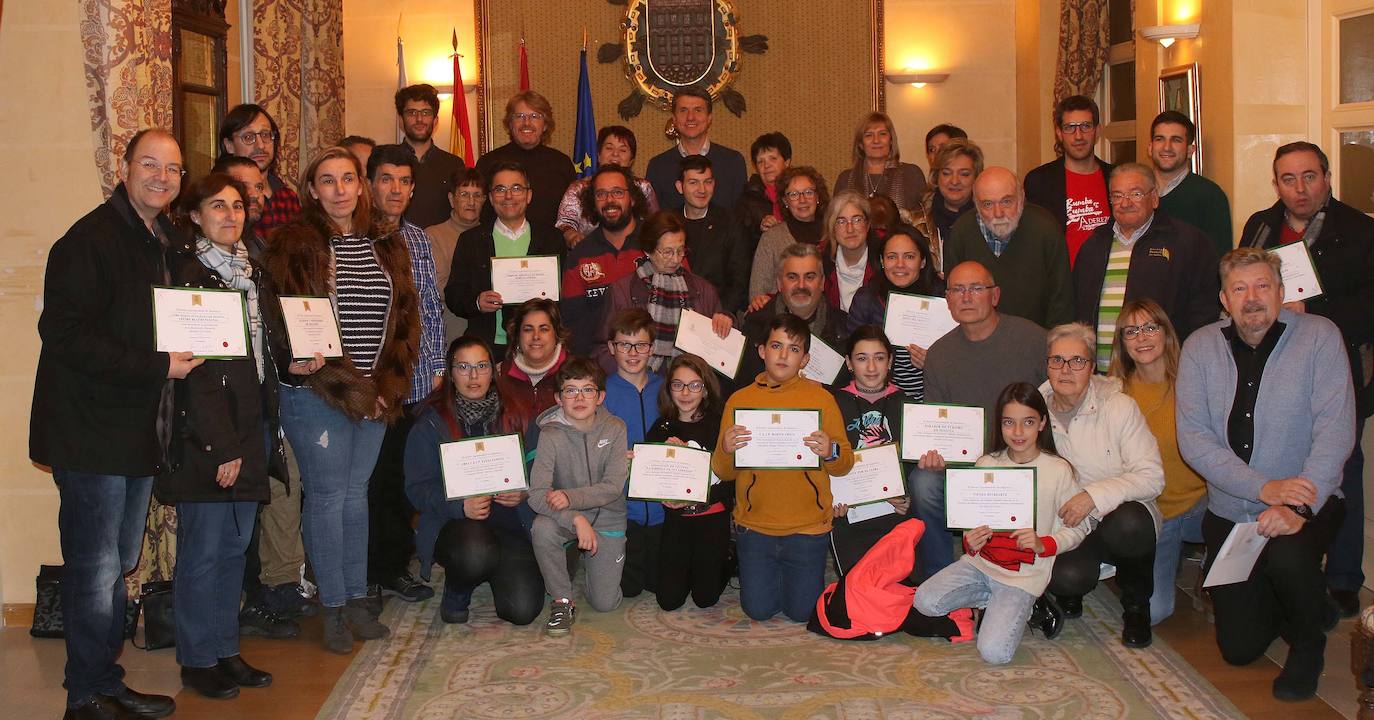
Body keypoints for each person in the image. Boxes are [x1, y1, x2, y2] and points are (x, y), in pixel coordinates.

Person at [31, 128, 193, 720]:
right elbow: (65, 335)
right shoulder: (88, 240)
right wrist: (160, 366)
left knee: (119, 560)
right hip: (89, 431)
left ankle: (106, 679)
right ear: (122, 168)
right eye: (148, 164)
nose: (160, 177)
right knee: (96, 568)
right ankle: (86, 695)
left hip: (135, 430)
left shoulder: (167, 240)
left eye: (172, 169)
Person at [1177, 247, 1355, 701]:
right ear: (1224, 298)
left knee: (1289, 557)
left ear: (1281, 292)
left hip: (1307, 500)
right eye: (1239, 288)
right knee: (1239, 648)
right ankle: (1310, 603)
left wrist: (1296, 503)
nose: (1252, 298)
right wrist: (1264, 488)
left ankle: (1308, 643)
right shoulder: (1200, 346)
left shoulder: (1319, 336)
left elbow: (1336, 432)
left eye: (1262, 286)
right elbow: (1194, 440)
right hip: (1233, 511)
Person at [264, 146, 420, 654]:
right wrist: (354, 389)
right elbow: (284, 319)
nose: (339, 190)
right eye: (327, 180)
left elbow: (403, 323)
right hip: (318, 393)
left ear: (362, 186)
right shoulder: (294, 244)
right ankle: (331, 605)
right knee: (328, 497)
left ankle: (356, 598)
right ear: (312, 190)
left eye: (347, 179)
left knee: (356, 496)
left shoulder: (387, 242)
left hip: (375, 397)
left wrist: (387, 389)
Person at [1239, 141, 1374, 617]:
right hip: (1267, 368)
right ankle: (1270, 559)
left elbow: (1369, 308)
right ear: (1276, 183)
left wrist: (1310, 311)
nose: (1299, 188)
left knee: (1340, 469)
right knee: (1270, 460)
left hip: (1335, 368)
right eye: (1288, 179)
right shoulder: (1259, 225)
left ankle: (1341, 577)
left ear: (1327, 177)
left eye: (1309, 176)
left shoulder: (1360, 231)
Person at [163, 173, 277, 699]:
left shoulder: (251, 273)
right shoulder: (188, 277)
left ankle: (225, 648)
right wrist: (222, 445)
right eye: (218, 206)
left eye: (238, 206)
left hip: (250, 426)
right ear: (195, 216)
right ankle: (196, 658)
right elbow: (198, 375)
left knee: (235, 550)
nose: (232, 215)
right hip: (209, 438)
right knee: (203, 552)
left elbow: (260, 356)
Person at [914, 382, 1090, 664]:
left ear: (1043, 423)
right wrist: (970, 541)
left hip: (1022, 578)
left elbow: (1079, 527)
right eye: (1009, 423)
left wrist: (1044, 543)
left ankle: (1031, 604)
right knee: (925, 601)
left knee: (995, 654)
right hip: (980, 566)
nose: (1018, 432)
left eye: (1028, 422)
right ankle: (990, 602)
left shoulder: (1058, 470)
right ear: (1000, 424)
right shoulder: (985, 464)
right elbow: (970, 523)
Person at [712, 314, 855, 622]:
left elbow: (844, 463)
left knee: (803, 612)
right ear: (762, 350)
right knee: (758, 610)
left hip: (808, 526)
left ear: (804, 359)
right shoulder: (739, 400)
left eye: (793, 349)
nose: (783, 355)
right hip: (755, 526)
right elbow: (723, 472)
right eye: (776, 346)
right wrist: (725, 448)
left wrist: (829, 450)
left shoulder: (821, 399)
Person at [913, 261, 1048, 579]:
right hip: (967, 469)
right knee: (923, 482)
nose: (967, 297)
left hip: (1023, 462)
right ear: (947, 300)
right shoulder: (939, 355)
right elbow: (938, 427)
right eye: (957, 290)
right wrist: (934, 456)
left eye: (976, 288)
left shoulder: (1034, 340)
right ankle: (941, 576)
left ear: (995, 295)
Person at [1038, 322, 1164, 649]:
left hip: (1118, 514)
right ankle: (1073, 589)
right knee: (1066, 578)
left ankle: (1136, 606)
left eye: (1077, 361)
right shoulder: (1032, 410)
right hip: (1066, 521)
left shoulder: (1119, 407)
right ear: (1047, 364)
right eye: (1057, 360)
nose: (1066, 369)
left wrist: (1092, 496)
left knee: (1131, 523)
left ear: (1092, 367)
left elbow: (1152, 477)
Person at [404, 335, 544, 625]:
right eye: (463, 367)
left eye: (481, 366)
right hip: (457, 528)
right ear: (450, 373)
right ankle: (458, 588)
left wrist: (524, 492)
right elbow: (417, 489)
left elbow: (541, 468)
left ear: (494, 371)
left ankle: (495, 572)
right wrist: (459, 507)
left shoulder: (518, 413)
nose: (473, 376)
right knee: (475, 554)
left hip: (510, 525)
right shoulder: (430, 423)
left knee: (522, 611)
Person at [364, 144, 449, 606]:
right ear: (369, 183)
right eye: (386, 179)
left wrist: (437, 365)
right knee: (368, 484)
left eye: (404, 181)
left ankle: (394, 567)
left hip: (415, 384)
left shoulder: (417, 238)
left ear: (413, 189)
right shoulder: (354, 236)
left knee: (400, 479)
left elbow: (431, 308)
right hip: (369, 387)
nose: (395, 189)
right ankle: (366, 575)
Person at [1107, 299, 1207, 625]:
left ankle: (1213, 573)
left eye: (1151, 327)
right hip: (1154, 512)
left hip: (1200, 502)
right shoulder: (1114, 393)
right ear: (1122, 342)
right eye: (1131, 331)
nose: (1143, 337)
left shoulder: (1194, 381)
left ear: (1166, 332)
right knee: (1154, 612)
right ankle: (1161, 556)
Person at [1072, 162, 1220, 370]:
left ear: (1154, 198)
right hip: (1101, 376)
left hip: (1161, 375)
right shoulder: (1093, 246)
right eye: (1117, 195)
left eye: (1136, 194)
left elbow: (1204, 312)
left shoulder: (1187, 243)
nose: (1125, 203)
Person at [527, 357, 630, 636]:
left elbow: (612, 487)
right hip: (565, 519)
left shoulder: (616, 428)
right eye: (571, 390)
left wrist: (570, 498)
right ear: (559, 398)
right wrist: (574, 518)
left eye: (588, 390)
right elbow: (536, 495)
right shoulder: (549, 434)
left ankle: (588, 560)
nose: (580, 398)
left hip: (608, 518)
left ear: (600, 397)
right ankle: (561, 599)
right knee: (542, 527)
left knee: (605, 603)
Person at [444, 161, 564, 356]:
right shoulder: (471, 240)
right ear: (491, 198)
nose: (508, 196)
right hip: (489, 347)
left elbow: (564, 295)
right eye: (500, 189)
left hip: (540, 347)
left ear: (529, 195)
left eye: (516, 188)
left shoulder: (551, 238)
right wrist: (477, 302)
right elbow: (454, 294)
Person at [593, 212, 732, 375]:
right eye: (667, 252)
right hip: (638, 381)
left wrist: (726, 321)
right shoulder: (622, 291)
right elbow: (602, 349)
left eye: (681, 251)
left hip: (689, 382)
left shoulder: (703, 289)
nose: (675, 259)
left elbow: (722, 353)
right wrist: (629, 376)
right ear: (647, 251)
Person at [647, 353, 734, 610]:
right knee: (668, 601)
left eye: (694, 385)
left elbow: (729, 480)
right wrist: (647, 457)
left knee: (705, 598)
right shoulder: (662, 427)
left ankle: (729, 560)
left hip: (712, 517)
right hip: (676, 520)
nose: (685, 392)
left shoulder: (719, 425)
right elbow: (650, 477)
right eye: (678, 384)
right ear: (669, 388)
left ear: (705, 389)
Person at [827, 326, 913, 573]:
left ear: (890, 362)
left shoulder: (906, 403)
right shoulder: (833, 402)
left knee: (901, 580)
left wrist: (909, 499)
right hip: (848, 512)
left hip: (896, 508)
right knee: (857, 581)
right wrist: (832, 497)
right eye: (862, 358)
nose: (872, 367)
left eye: (879, 357)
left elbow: (913, 466)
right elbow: (827, 457)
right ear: (849, 363)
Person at [944, 167, 1073, 328]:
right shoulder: (961, 232)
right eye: (988, 204)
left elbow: (1061, 301)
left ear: (1021, 198)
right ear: (976, 204)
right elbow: (953, 296)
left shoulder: (1045, 229)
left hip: (1036, 343)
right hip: (976, 342)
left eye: (1006, 201)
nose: (998, 213)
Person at [597, 309, 666, 598]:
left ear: (652, 348)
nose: (633, 353)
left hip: (664, 507)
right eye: (625, 345)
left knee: (662, 586)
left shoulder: (666, 389)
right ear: (612, 347)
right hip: (623, 510)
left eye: (641, 345)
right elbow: (591, 443)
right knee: (628, 589)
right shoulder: (602, 393)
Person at [561, 165, 651, 354]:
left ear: (632, 198)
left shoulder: (657, 243)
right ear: (593, 202)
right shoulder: (580, 255)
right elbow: (573, 323)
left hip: (654, 360)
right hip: (600, 363)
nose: (609, 200)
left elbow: (683, 302)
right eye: (601, 194)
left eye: (617, 192)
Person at [846, 229, 942, 402]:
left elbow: (960, 355)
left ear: (923, 261)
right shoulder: (866, 299)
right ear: (882, 261)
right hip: (878, 400)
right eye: (891, 257)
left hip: (934, 396)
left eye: (909, 257)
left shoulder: (943, 297)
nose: (900, 264)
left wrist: (935, 362)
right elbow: (852, 353)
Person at [1024, 95, 1115, 265]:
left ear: (1098, 131)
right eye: (1069, 127)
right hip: (1062, 285)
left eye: (1086, 126)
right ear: (1059, 133)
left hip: (1108, 282)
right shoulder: (1039, 181)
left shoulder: (1115, 177)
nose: (1078, 136)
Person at [739, 244, 850, 383]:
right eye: (792, 277)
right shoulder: (755, 325)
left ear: (822, 283)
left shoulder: (845, 330)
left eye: (809, 277)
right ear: (779, 283)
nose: (801, 285)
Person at [476, 90, 576, 230]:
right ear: (510, 124)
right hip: (499, 246)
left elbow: (573, 215)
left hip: (551, 247)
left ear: (545, 125)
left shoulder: (562, 164)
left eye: (535, 116)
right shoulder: (488, 163)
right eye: (519, 116)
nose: (526, 123)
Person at [644, 87, 749, 210]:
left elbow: (742, 216)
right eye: (683, 110)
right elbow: (653, 221)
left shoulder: (733, 162)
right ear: (674, 119)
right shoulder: (658, 166)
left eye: (698, 110)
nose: (690, 117)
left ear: (709, 117)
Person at [555, 125, 659, 246]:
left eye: (623, 150)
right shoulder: (579, 188)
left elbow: (655, 224)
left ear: (631, 160)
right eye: (609, 148)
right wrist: (572, 236)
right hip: (589, 253)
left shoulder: (643, 187)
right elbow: (564, 223)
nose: (615, 154)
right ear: (598, 155)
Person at [1149, 110, 1232, 259]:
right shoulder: (1136, 193)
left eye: (1176, 140)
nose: (1166, 147)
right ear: (1150, 147)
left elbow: (1220, 260)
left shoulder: (1210, 196)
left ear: (1190, 150)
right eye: (1160, 139)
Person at [675, 155, 751, 313]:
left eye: (707, 182)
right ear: (680, 187)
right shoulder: (667, 223)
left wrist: (722, 313)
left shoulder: (731, 223)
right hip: (674, 310)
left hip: (718, 315)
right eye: (693, 182)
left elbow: (739, 280)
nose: (702, 190)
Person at [749, 166, 830, 298]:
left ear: (818, 196)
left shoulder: (833, 234)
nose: (802, 200)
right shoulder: (772, 238)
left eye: (808, 192)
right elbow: (757, 292)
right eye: (794, 194)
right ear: (785, 201)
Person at [220, 104, 300, 236]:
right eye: (248, 137)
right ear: (229, 145)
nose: (261, 145)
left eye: (265, 135)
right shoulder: (219, 196)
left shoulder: (287, 197)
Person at [834, 111, 927, 216]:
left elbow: (923, 219)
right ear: (860, 144)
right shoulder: (846, 180)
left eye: (882, 134)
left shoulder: (912, 174)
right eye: (869, 135)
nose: (876, 140)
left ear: (891, 140)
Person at [496, 298, 571, 421]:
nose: (536, 336)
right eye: (528, 329)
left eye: (544, 329)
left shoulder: (580, 374)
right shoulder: (497, 376)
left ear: (557, 334)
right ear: (517, 335)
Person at [919, 138, 981, 274]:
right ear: (936, 176)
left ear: (977, 178)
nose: (954, 181)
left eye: (964, 174)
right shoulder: (916, 221)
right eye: (946, 173)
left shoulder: (989, 222)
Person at [424, 166, 485, 291]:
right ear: (452, 199)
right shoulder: (432, 236)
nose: (471, 202)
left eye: (477, 195)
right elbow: (437, 286)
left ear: (484, 200)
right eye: (464, 195)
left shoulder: (491, 234)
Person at [822, 190, 881, 312]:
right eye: (841, 221)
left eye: (857, 220)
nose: (850, 229)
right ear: (832, 229)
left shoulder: (884, 260)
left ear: (868, 224)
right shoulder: (821, 262)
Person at [737, 132, 793, 258]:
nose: (766, 166)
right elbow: (740, 242)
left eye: (773, 159)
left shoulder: (800, 193)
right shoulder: (748, 199)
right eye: (760, 161)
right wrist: (759, 229)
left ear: (787, 162)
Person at [210, 154, 273, 262]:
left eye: (259, 187)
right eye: (244, 186)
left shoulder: (261, 245)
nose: (255, 195)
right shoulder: (204, 252)